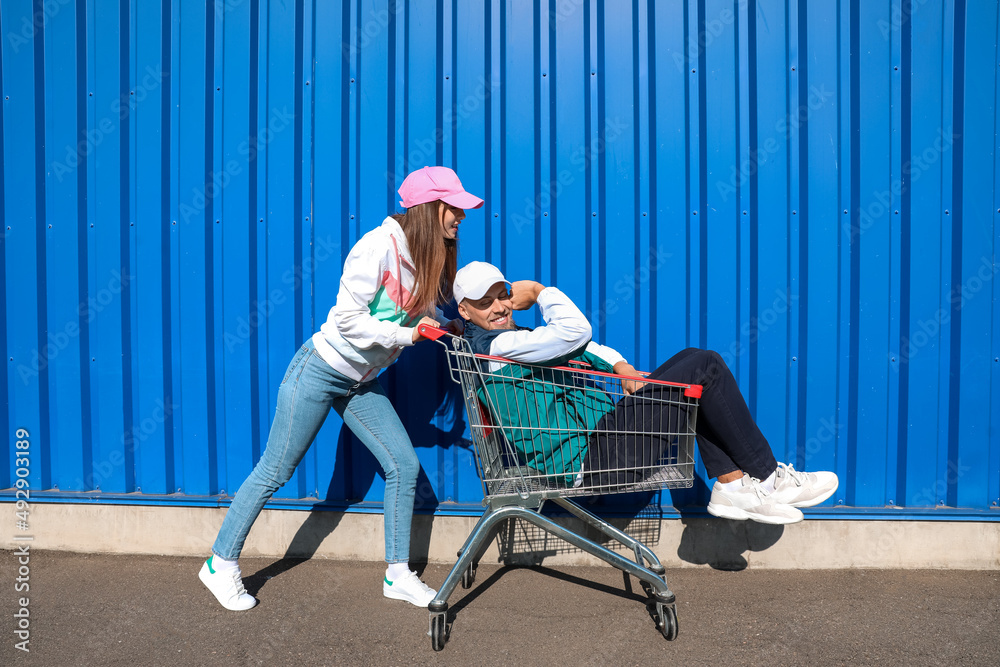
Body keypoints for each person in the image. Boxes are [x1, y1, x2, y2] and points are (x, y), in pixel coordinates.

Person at [199, 167, 484, 611]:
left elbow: (408, 309)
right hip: (320, 369)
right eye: (455, 208)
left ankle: (397, 575)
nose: (461, 217)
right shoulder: (376, 247)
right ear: (430, 208)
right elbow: (350, 321)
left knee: (403, 467)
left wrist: (441, 324)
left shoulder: (425, 257)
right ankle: (220, 562)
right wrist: (408, 336)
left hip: (361, 382)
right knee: (275, 471)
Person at [452, 261, 838, 525]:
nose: (500, 307)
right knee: (705, 366)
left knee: (692, 367)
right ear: (466, 312)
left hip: (604, 440)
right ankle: (768, 476)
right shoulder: (497, 349)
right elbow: (574, 332)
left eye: (502, 294)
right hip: (593, 458)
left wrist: (620, 368)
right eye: (485, 303)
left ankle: (732, 484)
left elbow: (581, 348)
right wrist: (538, 292)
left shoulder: (510, 340)